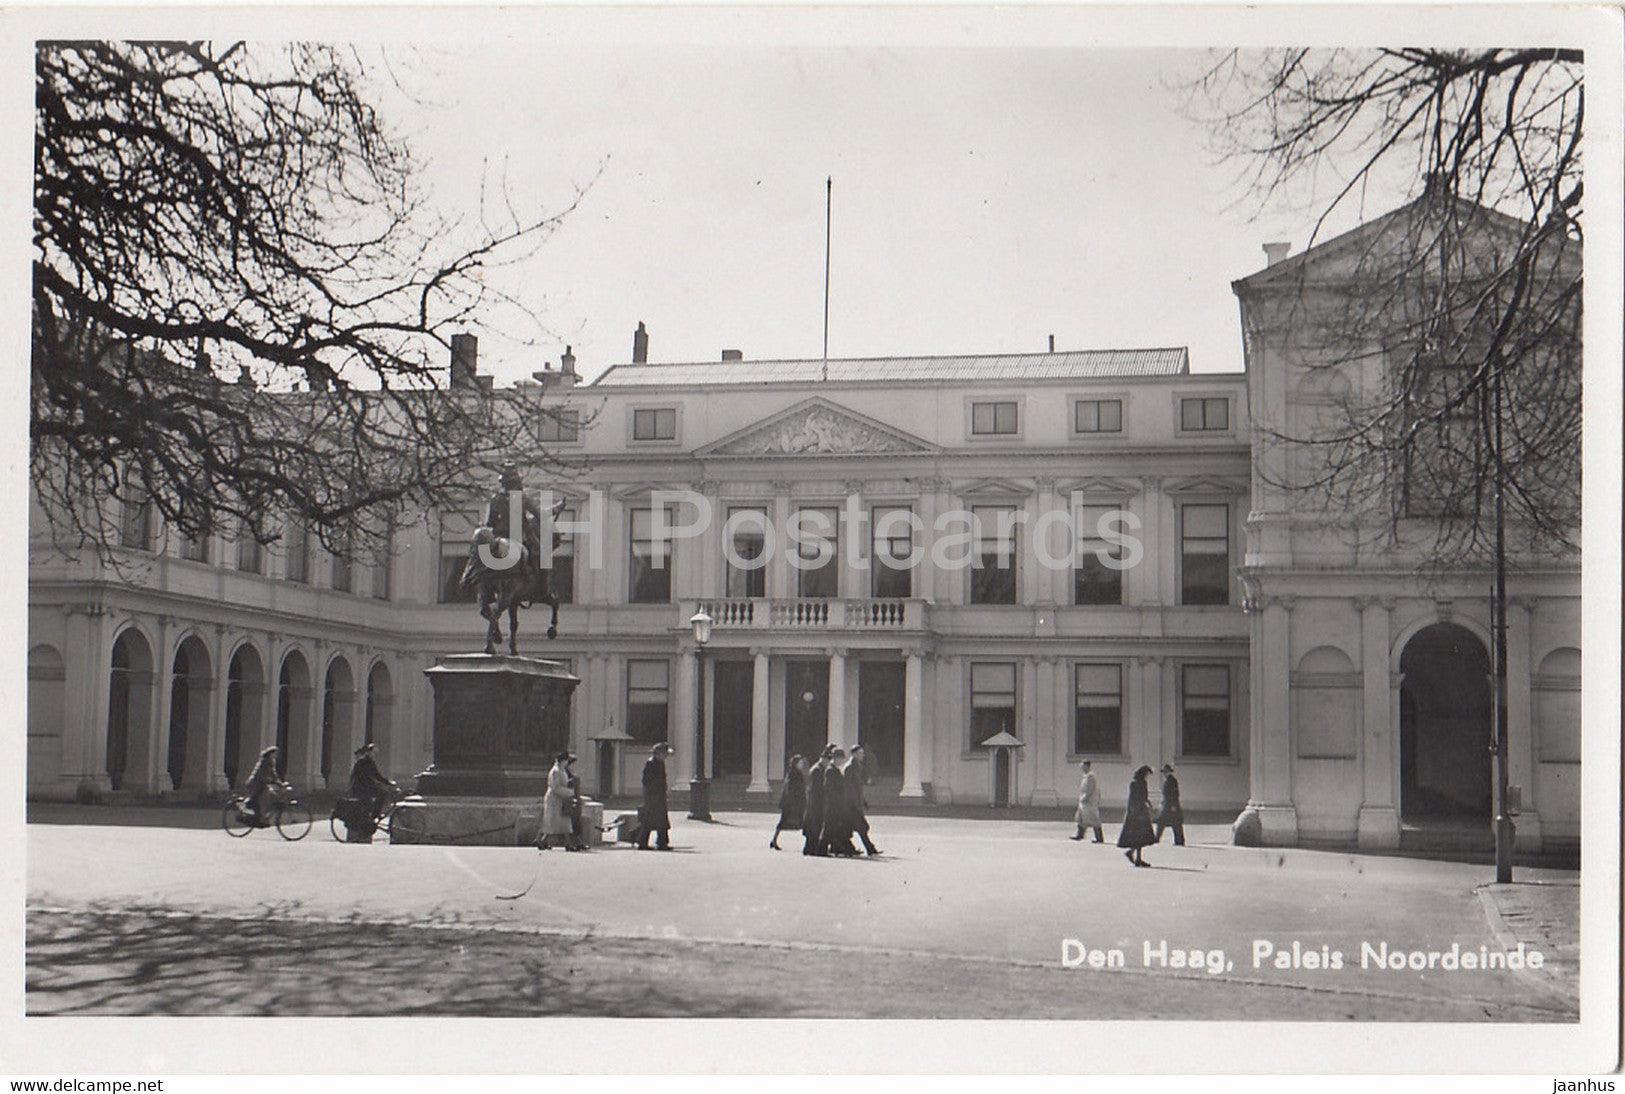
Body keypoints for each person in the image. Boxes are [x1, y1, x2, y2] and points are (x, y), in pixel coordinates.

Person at [539, 751, 583, 851]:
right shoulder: (555, 771)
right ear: (563, 761)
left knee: (561, 822)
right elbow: (555, 787)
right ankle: (567, 843)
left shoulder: (561, 770)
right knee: (554, 822)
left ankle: (543, 841)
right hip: (554, 799)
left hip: (561, 799)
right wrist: (570, 792)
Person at [348, 742, 399, 826]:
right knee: (373, 799)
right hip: (360, 787)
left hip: (366, 786)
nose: (374, 754)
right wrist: (387, 782)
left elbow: (376, 775)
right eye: (372, 752)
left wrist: (386, 782)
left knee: (382, 793)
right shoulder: (363, 761)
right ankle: (372, 817)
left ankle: (374, 815)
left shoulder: (369, 761)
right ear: (368, 752)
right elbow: (372, 776)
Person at [820, 748, 858, 857]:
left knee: (833, 827)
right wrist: (836, 802)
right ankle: (821, 850)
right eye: (841, 758)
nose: (842, 761)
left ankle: (838, 848)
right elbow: (830, 789)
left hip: (836, 804)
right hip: (833, 804)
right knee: (829, 828)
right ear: (836, 758)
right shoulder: (831, 770)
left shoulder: (834, 769)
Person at [1117, 765, 1157, 867]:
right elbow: (1134, 799)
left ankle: (1135, 856)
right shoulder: (1136, 783)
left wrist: (1148, 804)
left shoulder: (1140, 783)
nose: (1147, 776)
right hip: (1137, 812)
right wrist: (1137, 811)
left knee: (1140, 837)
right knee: (1139, 836)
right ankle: (1135, 855)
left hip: (1139, 811)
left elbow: (1144, 797)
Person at [846, 745, 881, 856]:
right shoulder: (850, 767)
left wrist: (863, 800)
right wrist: (855, 803)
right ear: (854, 754)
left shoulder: (857, 766)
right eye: (860, 753)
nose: (862, 755)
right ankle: (869, 848)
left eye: (862, 753)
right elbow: (849, 787)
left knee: (856, 827)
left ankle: (868, 848)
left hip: (856, 802)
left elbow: (858, 787)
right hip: (852, 804)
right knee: (860, 827)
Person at [635, 743, 672, 850]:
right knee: (650, 821)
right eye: (665, 754)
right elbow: (647, 781)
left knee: (660, 821)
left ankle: (662, 842)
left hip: (658, 796)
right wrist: (654, 793)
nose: (666, 756)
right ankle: (644, 842)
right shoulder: (651, 763)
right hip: (653, 797)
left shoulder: (660, 763)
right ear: (659, 753)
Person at [239, 745, 283, 826]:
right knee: (262, 799)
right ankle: (259, 817)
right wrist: (271, 780)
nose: (276, 755)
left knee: (271, 795)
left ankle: (261, 816)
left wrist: (279, 782)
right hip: (257, 783)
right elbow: (260, 774)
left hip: (263, 783)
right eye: (275, 753)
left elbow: (273, 773)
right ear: (271, 753)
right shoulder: (265, 761)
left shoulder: (271, 761)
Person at [770, 754, 807, 850]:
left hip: (794, 802)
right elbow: (790, 789)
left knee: (796, 822)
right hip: (790, 803)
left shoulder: (797, 773)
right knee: (784, 821)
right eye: (800, 763)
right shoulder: (793, 773)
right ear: (796, 763)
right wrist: (793, 801)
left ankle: (774, 840)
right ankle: (774, 840)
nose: (802, 764)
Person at [801, 746, 833, 856]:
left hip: (816, 802)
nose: (829, 762)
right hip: (815, 803)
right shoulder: (817, 770)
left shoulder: (819, 769)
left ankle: (810, 848)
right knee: (814, 826)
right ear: (823, 759)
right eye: (828, 760)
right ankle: (810, 849)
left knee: (815, 826)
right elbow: (816, 788)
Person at [1071, 760, 1104, 843]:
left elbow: (1090, 788)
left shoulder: (1090, 776)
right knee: (1080, 817)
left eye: (1082, 766)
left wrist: (1086, 797)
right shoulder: (1085, 776)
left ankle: (1099, 838)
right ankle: (1080, 835)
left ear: (1087, 766)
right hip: (1084, 800)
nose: (1081, 768)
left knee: (1093, 818)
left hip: (1089, 801)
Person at [1155, 763, 1185, 846]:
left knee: (1172, 823)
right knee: (1164, 822)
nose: (1165, 773)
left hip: (1170, 805)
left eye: (1166, 772)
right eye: (1164, 772)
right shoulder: (1168, 780)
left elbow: (1174, 794)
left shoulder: (1172, 781)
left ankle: (1179, 840)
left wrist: (1173, 805)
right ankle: (1157, 838)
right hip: (1167, 804)